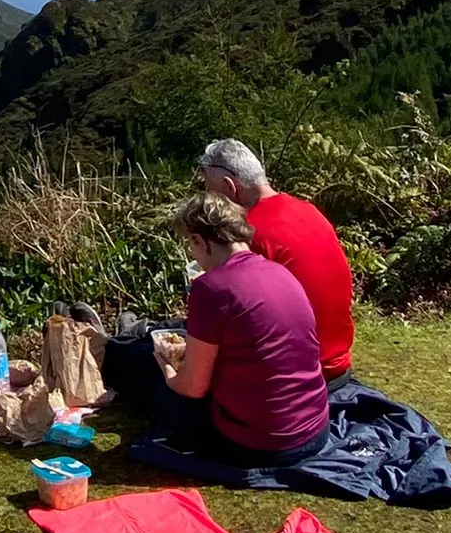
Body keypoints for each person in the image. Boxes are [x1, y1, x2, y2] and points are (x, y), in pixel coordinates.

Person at [149, 192, 330, 465]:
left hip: (262, 444)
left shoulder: (210, 288)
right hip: (315, 430)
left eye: (191, 244)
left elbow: (193, 388)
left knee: (150, 378)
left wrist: (168, 372)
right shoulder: (280, 271)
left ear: (199, 240)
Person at [199, 137, 356, 385]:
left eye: (211, 192)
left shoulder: (246, 234)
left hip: (297, 372)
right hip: (337, 363)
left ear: (230, 188)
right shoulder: (308, 211)